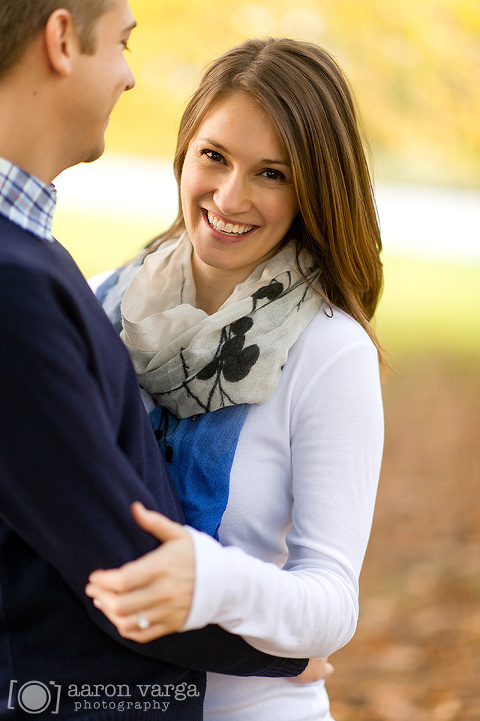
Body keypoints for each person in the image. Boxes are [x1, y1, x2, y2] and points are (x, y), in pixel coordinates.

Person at [0, 8, 310, 721]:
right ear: (58, 40)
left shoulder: (39, 260)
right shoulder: (16, 281)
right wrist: (288, 651)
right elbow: (127, 571)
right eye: (123, 42)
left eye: (270, 172)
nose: (131, 74)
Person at [86, 37, 385, 721]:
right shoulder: (99, 302)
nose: (229, 196)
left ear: (313, 188)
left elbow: (331, 604)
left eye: (271, 174)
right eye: (214, 156)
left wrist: (211, 581)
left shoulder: (330, 351)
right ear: (185, 150)